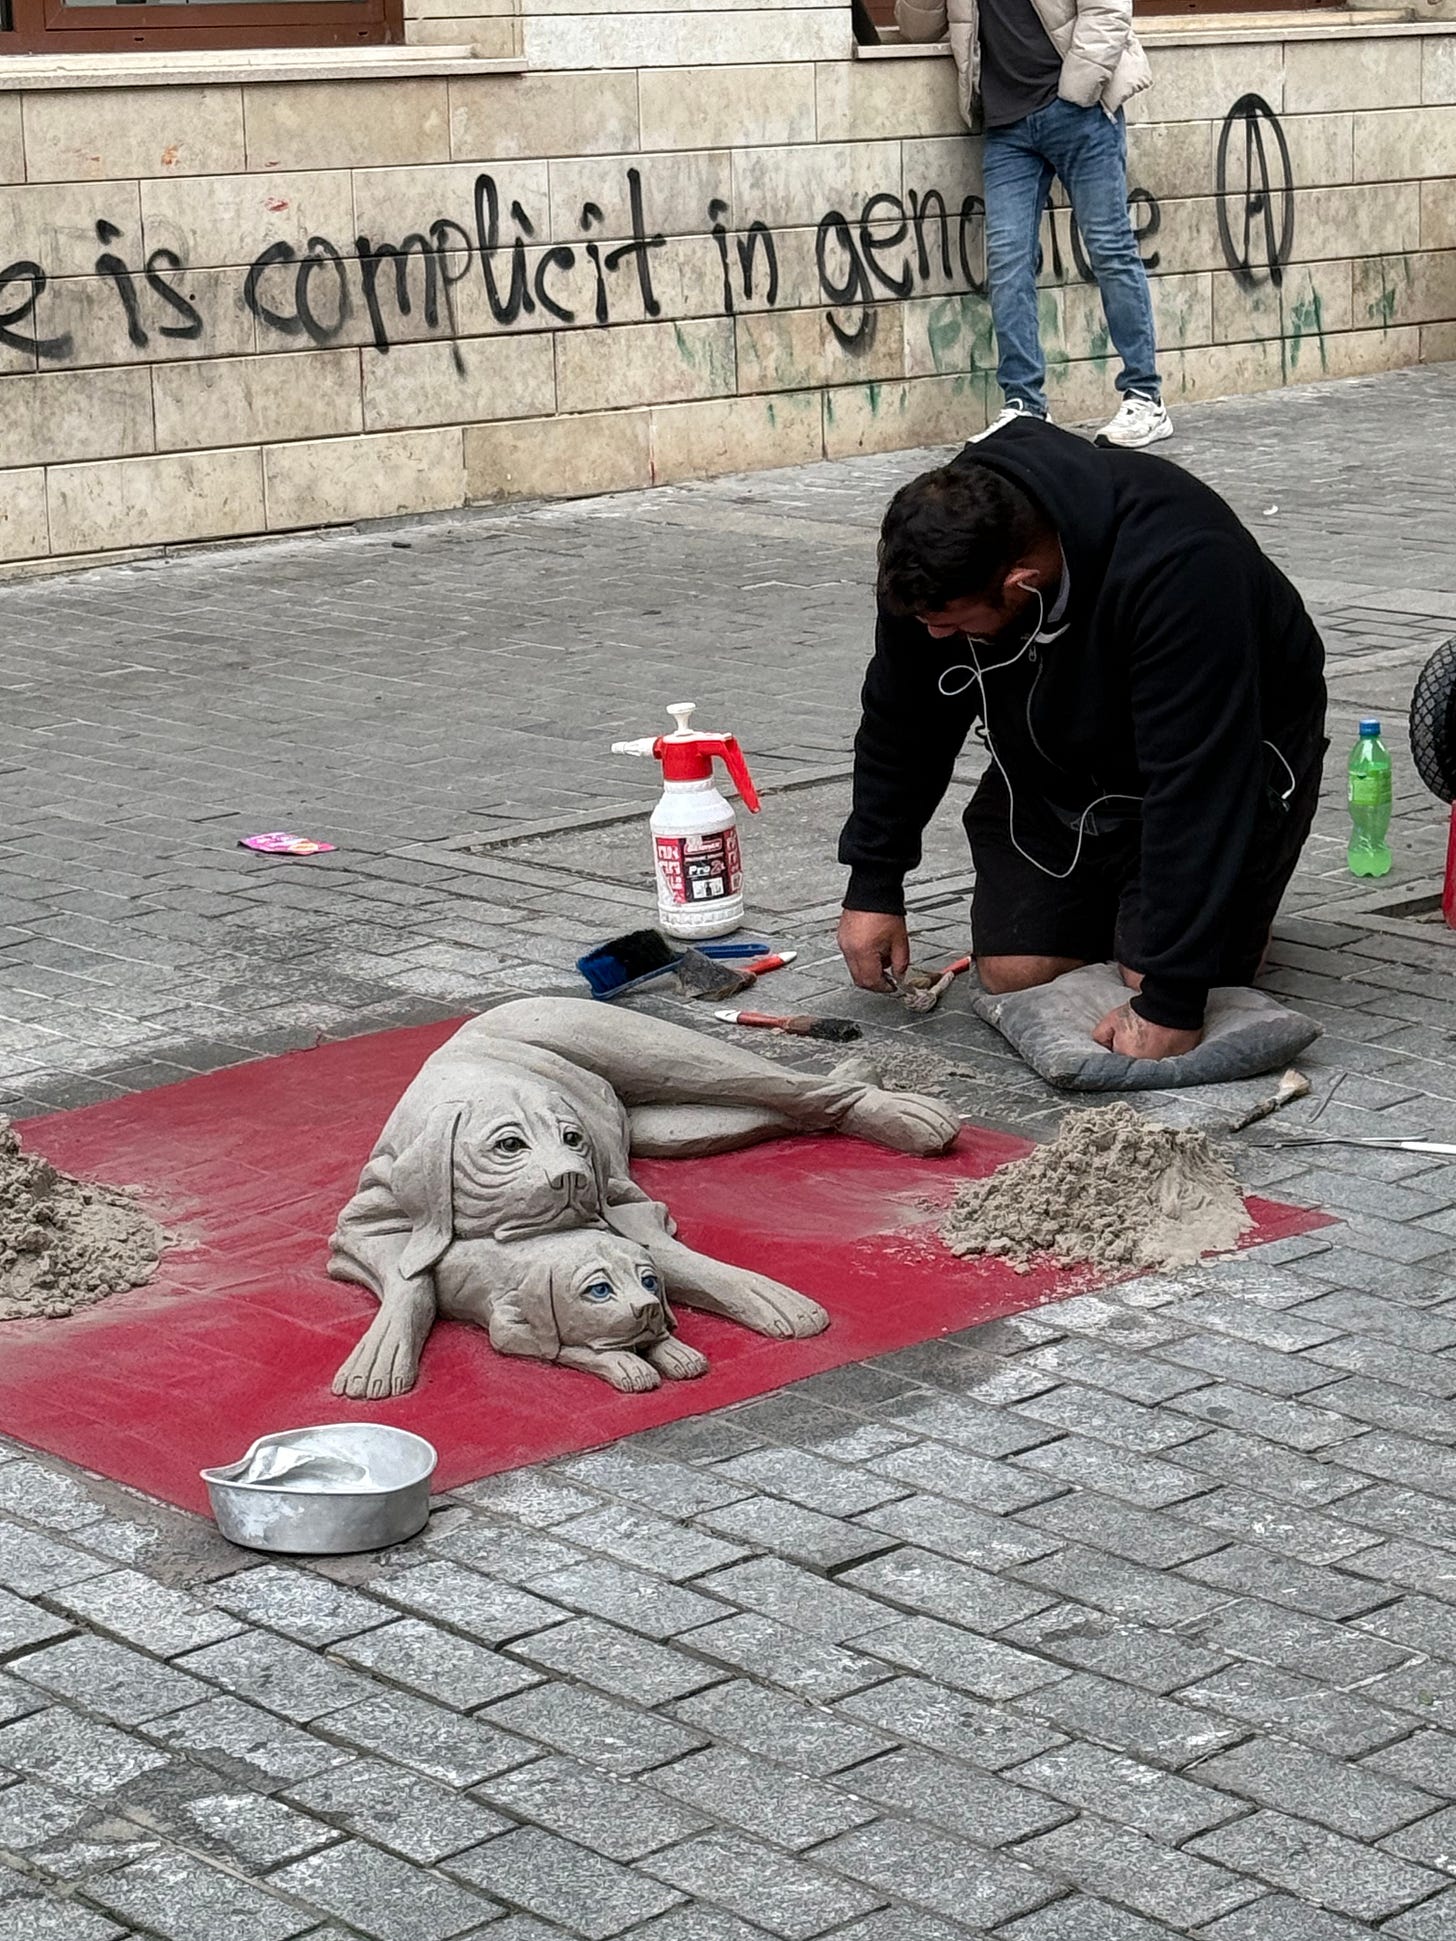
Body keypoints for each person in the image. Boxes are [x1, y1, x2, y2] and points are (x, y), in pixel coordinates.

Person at [836, 419, 1327, 1060]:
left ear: (1022, 583)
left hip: (1222, 766)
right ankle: (1138, 916)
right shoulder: (932, 564)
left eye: (952, 626)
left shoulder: (1183, 561)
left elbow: (1198, 783)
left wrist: (1173, 1001)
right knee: (1017, 973)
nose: (935, 639)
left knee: (1160, 977)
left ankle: (1200, 925)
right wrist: (874, 884)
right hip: (1059, 771)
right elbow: (903, 720)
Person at [895, 0, 1169, 450]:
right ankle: (1025, 405)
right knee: (1007, 260)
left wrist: (1076, 92)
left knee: (1110, 248)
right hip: (1008, 127)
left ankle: (1145, 397)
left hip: (1079, 113)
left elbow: (1108, 10)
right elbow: (915, 29)